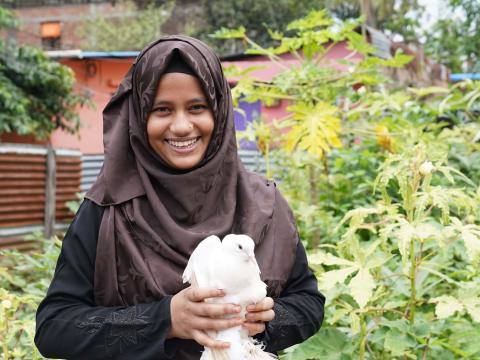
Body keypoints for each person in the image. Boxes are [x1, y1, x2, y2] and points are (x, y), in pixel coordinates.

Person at [35, 35, 325, 359]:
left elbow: (309, 303)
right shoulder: (107, 211)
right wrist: (165, 320)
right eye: (162, 109)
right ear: (140, 117)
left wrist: (267, 321)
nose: (182, 125)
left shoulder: (263, 205)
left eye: (197, 107)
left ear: (219, 111)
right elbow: (54, 327)